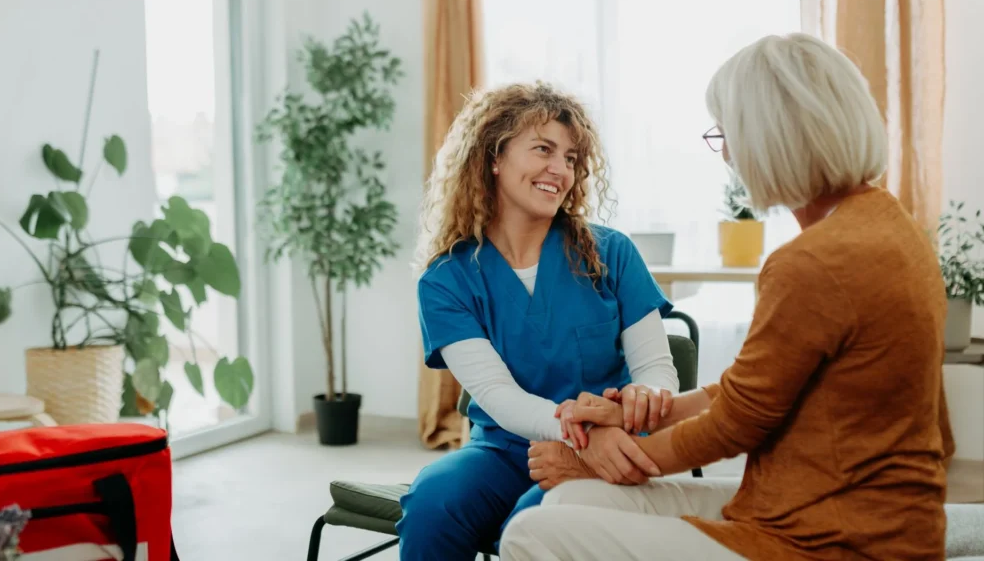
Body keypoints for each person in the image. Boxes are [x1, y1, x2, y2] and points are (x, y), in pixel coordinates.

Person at [500, 32, 956, 561]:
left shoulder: (815, 261)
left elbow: (735, 425)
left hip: (834, 538)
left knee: (528, 533)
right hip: (824, 507)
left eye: (727, 134)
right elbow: (747, 393)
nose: (729, 154)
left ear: (772, 137)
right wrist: (631, 419)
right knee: (573, 503)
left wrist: (597, 459)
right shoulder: (890, 226)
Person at [398, 81, 681, 560]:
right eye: (543, 150)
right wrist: (577, 433)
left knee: (535, 520)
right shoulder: (446, 279)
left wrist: (637, 402)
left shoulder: (612, 253)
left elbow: (658, 370)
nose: (560, 170)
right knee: (433, 501)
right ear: (494, 157)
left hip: (612, 443)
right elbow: (498, 396)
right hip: (504, 450)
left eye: (570, 158)